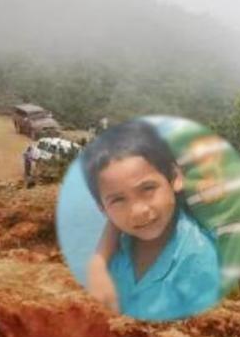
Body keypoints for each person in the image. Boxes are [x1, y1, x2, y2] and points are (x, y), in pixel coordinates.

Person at [81, 120, 220, 321]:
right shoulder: (118, 254)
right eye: (118, 200)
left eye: (147, 189)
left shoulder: (198, 261)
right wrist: (98, 263)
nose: (138, 211)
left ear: (175, 177)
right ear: (102, 209)